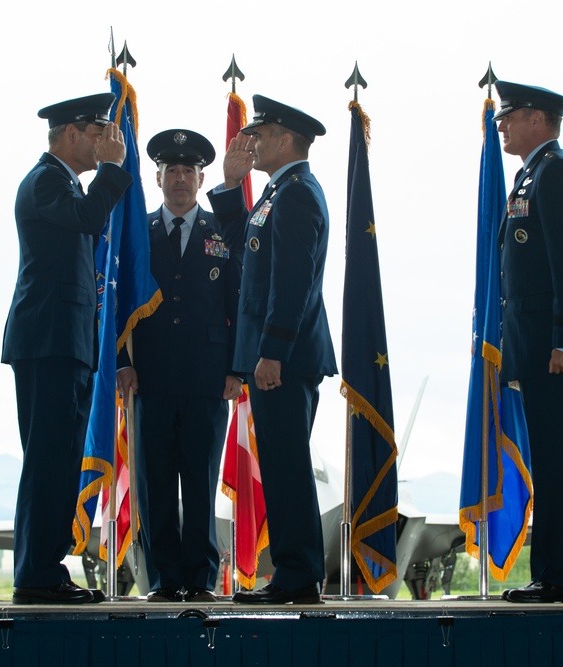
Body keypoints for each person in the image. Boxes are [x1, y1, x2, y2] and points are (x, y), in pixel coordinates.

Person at [208, 95, 337, 605]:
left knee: (286, 466)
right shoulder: (277, 193)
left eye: (260, 136)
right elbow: (247, 247)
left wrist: (273, 352)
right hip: (275, 354)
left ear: (286, 141)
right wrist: (228, 184)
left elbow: (293, 282)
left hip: (285, 358)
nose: (252, 142)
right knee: (282, 464)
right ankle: (294, 573)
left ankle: (298, 576)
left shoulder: (299, 194)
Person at [2, 92, 130, 605]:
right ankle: (35, 574)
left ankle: (46, 570)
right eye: (99, 133)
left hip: (68, 344)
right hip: (47, 343)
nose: (106, 143)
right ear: (72, 133)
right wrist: (116, 172)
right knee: (47, 460)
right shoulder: (45, 182)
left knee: (59, 461)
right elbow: (86, 218)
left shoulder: (63, 183)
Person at [116, 129, 243, 603]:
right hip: (147, 376)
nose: (181, 179)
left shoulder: (221, 233)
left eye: (189, 170)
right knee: (154, 485)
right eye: (172, 170)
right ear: (157, 177)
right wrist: (121, 362)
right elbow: (120, 299)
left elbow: (239, 300)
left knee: (200, 481)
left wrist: (238, 369)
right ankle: (165, 580)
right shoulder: (138, 233)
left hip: (209, 378)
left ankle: (201, 579)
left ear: (201, 177)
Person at [493, 81, 563, 604]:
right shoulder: (530, 176)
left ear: (537, 119)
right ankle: (553, 576)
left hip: (560, 352)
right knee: (552, 465)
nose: (503, 125)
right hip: (540, 349)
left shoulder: (556, 173)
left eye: (509, 116)